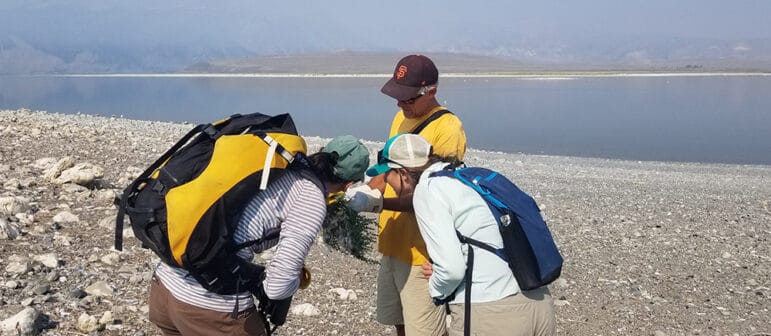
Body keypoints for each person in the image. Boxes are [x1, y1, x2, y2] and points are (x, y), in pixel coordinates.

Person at [149, 135, 371, 336]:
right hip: (208, 305)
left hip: (165, 286)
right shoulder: (310, 198)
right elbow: (277, 287)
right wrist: (293, 281)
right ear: (348, 184)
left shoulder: (280, 165)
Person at [368, 133, 556, 336]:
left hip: (491, 311)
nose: (389, 187)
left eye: (388, 177)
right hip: (539, 302)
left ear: (403, 173)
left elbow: (452, 270)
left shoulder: (428, 189)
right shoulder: (467, 176)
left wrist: (436, 288)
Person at [347, 54, 467, 336]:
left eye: (408, 99)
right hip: (393, 243)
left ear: (431, 91)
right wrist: (365, 188)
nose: (400, 104)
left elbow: (434, 196)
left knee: (425, 329)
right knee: (398, 321)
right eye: (397, 97)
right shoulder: (401, 117)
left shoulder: (449, 129)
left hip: (421, 252)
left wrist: (376, 203)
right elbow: (389, 166)